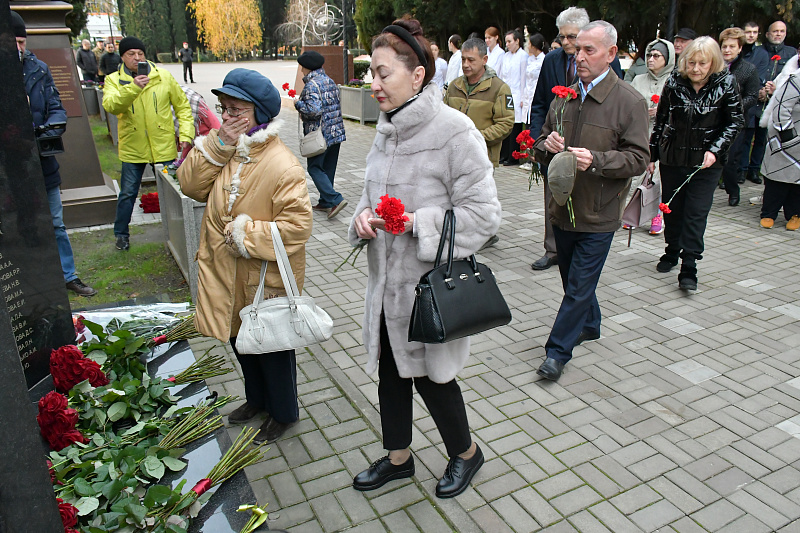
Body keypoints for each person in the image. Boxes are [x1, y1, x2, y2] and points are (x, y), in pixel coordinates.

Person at [349, 17, 501, 499]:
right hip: (384, 284)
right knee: (392, 375)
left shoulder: (455, 132)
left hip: (429, 291)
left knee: (435, 381)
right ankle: (398, 459)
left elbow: (484, 215)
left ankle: (467, 454)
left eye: (382, 73)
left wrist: (418, 224)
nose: (373, 84)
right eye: (370, 74)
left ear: (417, 77)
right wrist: (361, 219)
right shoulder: (387, 128)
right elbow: (371, 194)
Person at [178, 69, 312, 444]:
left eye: (238, 110)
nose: (228, 117)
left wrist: (245, 234)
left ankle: (283, 413)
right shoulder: (226, 147)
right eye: (225, 109)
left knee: (271, 348)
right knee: (240, 342)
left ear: (260, 113)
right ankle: (257, 400)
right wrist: (219, 142)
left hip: (262, 278)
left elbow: (298, 228)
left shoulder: (282, 164)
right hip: (226, 273)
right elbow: (190, 185)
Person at [532, 20, 649, 382]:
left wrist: (596, 160)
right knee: (573, 281)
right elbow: (541, 146)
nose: (578, 55)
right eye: (576, 48)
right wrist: (544, 146)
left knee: (579, 286)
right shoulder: (564, 96)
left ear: (611, 54)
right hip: (563, 207)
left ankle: (557, 352)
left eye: (588, 50)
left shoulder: (629, 102)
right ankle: (591, 323)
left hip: (599, 212)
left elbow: (638, 159)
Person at [528, 6, 623, 271]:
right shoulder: (552, 60)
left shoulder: (605, 62)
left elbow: (613, 108)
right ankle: (552, 248)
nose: (568, 44)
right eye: (563, 37)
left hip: (589, 150)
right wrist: (539, 141)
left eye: (573, 37)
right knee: (552, 197)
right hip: (554, 146)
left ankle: (581, 246)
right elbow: (540, 103)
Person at [11, 12, 97, 297]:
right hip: (10, 167)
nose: (19, 47)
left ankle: (68, 275)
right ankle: (25, 283)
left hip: (42, 160)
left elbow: (55, 105)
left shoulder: (38, 68)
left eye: (22, 41)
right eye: (13, 41)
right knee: (19, 225)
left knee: (56, 223)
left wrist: (52, 125)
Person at [649, 37, 743, 291]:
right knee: (673, 209)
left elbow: (735, 122)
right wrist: (651, 155)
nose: (696, 69)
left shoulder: (726, 83)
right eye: (691, 62)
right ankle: (671, 251)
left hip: (706, 163)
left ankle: (689, 265)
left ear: (713, 63)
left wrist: (715, 150)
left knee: (696, 212)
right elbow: (661, 121)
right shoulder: (673, 82)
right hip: (673, 158)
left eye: (702, 63)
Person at [103, 36, 194, 251]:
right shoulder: (113, 80)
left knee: (174, 191)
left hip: (163, 146)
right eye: (131, 54)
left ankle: (179, 233)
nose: (136, 58)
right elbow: (112, 106)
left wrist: (186, 136)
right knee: (127, 193)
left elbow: (182, 106)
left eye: (140, 54)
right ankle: (121, 234)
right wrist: (133, 87)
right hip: (133, 148)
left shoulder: (162, 76)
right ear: (122, 57)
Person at [629, 38, 676, 235]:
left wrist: (662, 112)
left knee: (657, 177)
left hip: (664, 136)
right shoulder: (639, 79)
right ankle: (634, 212)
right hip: (640, 133)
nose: (651, 59)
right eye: (649, 55)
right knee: (636, 175)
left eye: (656, 56)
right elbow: (628, 103)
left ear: (668, 59)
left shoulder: (674, 80)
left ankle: (657, 214)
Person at [294, 50, 348, 219]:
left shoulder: (312, 85)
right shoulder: (329, 80)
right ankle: (326, 201)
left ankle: (335, 199)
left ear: (307, 67)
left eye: (302, 67)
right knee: (328, 168)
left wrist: (298, 104)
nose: (301, 70)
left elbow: (314, 111)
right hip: (335, 132)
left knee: (315, 168)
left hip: (320, 135)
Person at [444, 37, 514, 167]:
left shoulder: (499, 88)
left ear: (484, 60)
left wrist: (475, 137)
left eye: (471, 60)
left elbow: (506, 123)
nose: (465, 64)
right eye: (463, 59)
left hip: (482, 160)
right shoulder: (454, 86)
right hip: (453, 158)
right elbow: (442, 117)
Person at [745, 21, 797, 185]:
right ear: (767, 34)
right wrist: (760, 90)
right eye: (775, 31)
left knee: (763, 139)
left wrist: (777, 90)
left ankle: (755, 170)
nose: (778, 34)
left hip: (777, 101)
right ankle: (742, 170)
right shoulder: (759, 52)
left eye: (782, 31)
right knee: (747, 136)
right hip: (757, 99)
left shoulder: (791, 54)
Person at [719, 28, 760, 206]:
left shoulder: (748, 69)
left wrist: (734, 107)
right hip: (713, 119)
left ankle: (732, 190)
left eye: (731, 46)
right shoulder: (715, 66)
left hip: (735, 122)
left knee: (730, 160)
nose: (727, 50)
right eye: (724, 46)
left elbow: (753, 95)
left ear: (739, 48)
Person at [758, 55, 800, 230]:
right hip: (786, 132)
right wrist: (789, 135)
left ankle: (795, 214)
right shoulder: (795, 78)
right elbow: (781, 106)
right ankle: (769, 213)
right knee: (777, 178)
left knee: (798, 182)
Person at [738, 21, 771, 186]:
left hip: (756, 100)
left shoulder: (762, 54)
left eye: (754, 32)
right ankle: (741, 171)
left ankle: (753, 169)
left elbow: (760, 76)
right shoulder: (738, 51)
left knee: (759, 138)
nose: (751, 35)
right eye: (748, 31)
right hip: (741, 98)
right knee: (744, 138)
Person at [497, 29, 528, 166]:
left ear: (517, 41)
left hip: (517, 93)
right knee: (505, 123)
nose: (507, 44)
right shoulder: (505, 56)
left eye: (510, 41)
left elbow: (523, 78)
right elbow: (502, 76)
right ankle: (504, 154)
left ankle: (513, 156)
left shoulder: (523, 56)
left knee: (515, 125)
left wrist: (522, 97)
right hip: (506, 93)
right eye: (506, 41)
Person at [521, 32, 546, 131]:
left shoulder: (543, 60)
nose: (528, 46)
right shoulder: (530, 59)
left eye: (530, 44)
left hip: (537, 93)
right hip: (528, 93)